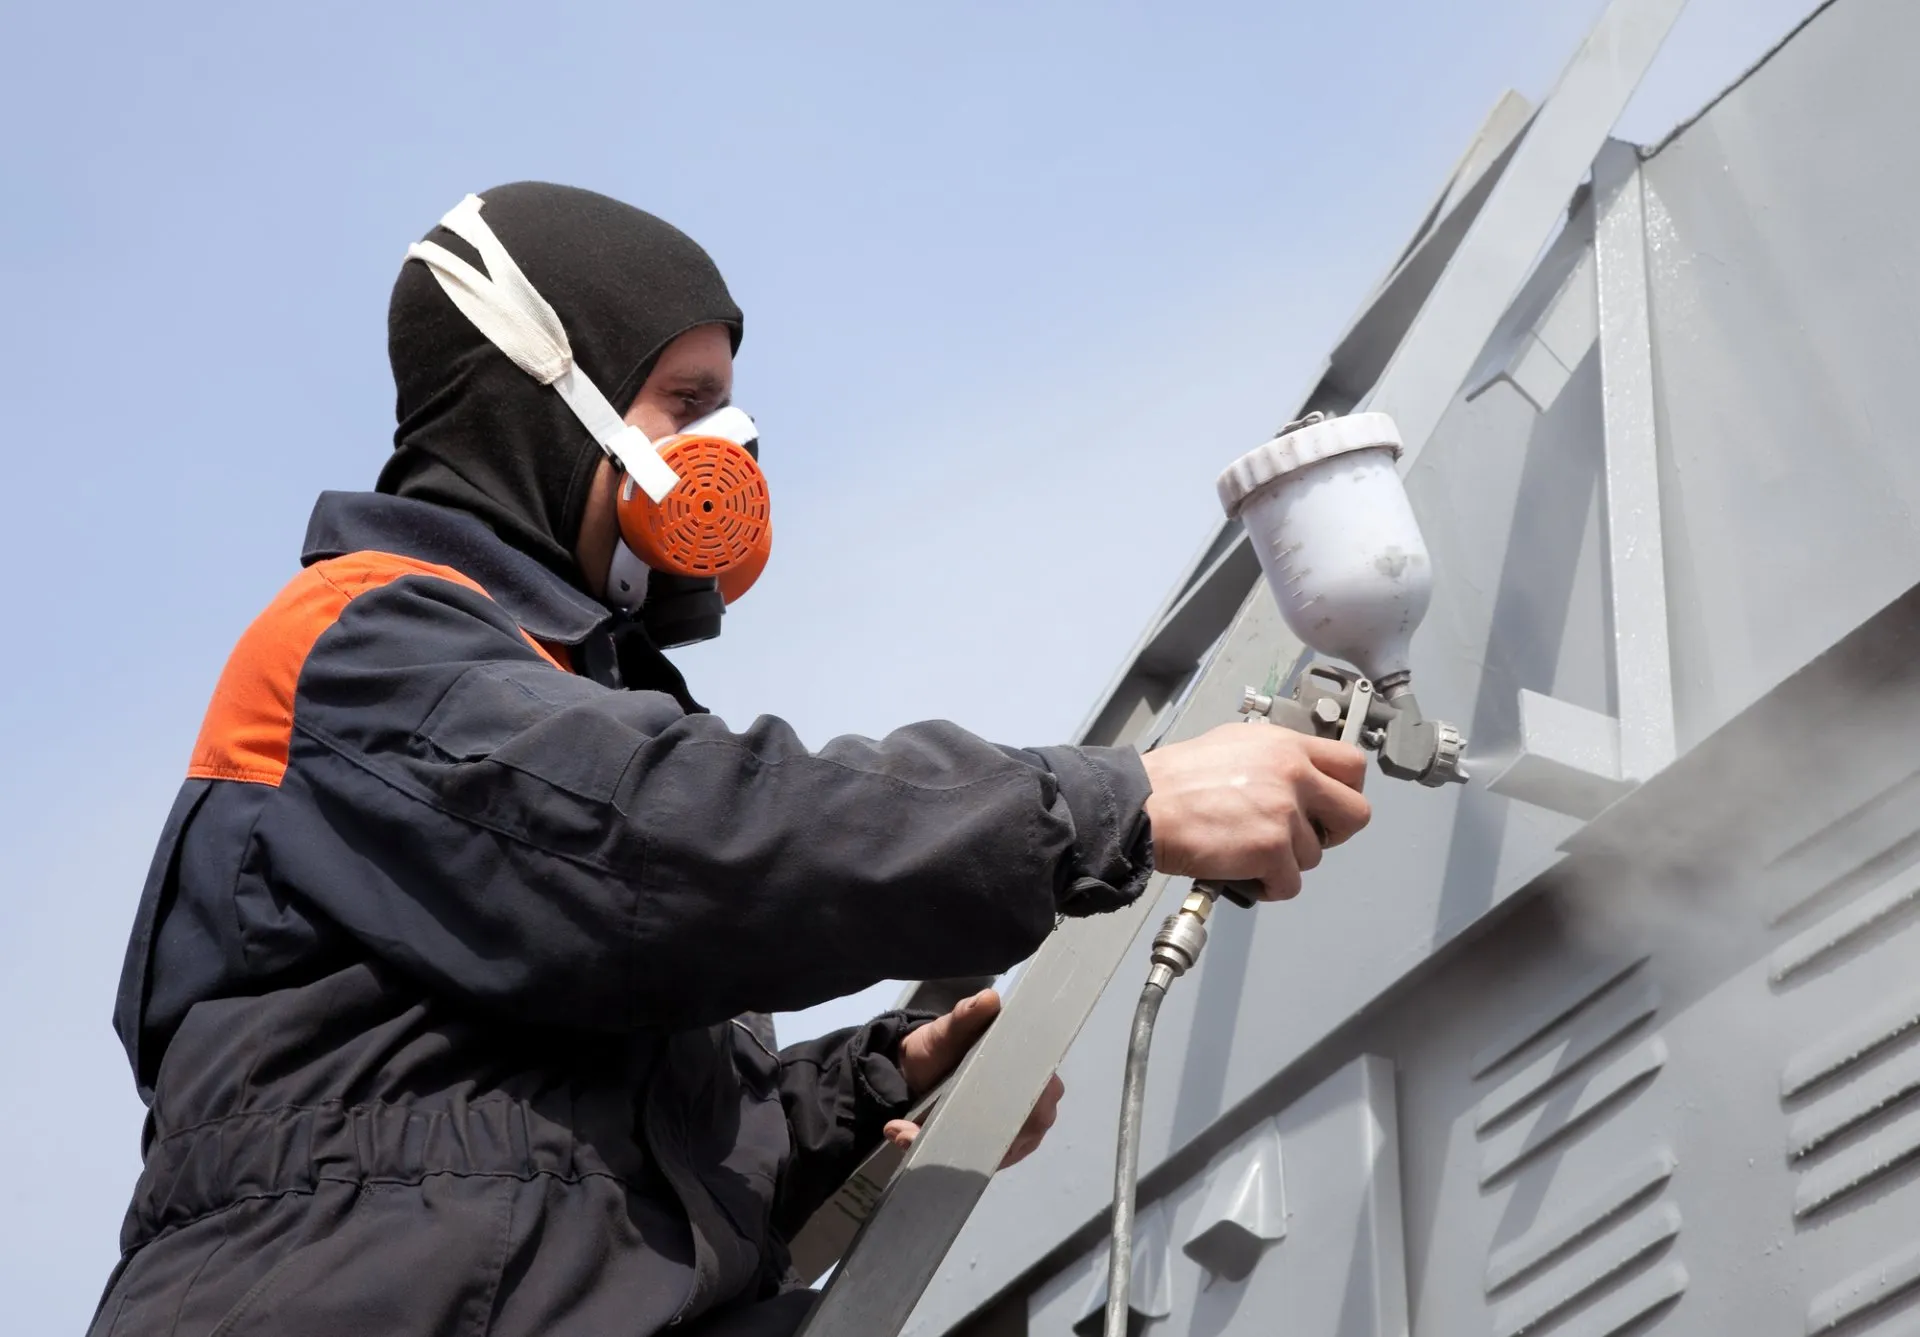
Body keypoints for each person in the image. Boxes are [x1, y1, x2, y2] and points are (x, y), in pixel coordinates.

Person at [91, 182, 1371, 1337]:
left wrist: (862, 1090)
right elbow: (673, 840)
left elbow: (573, 1160)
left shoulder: (553, 697)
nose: (730, 449)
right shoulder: (364, 643)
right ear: (543, 405)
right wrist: (1118, 800)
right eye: (687, 404)